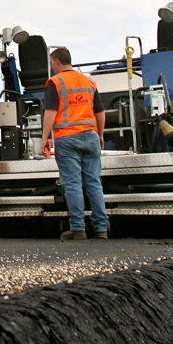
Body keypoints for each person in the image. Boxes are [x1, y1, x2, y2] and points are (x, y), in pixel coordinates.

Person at [40, 47, 108, 240]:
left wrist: (45, 137)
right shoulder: (89, 81)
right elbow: (100, 111)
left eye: (52, 63)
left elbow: (51, 112)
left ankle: (78, 229)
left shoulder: (56, 82)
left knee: (72, 184)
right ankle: (101, 229)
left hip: (67, 138)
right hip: (91, 136)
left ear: (56, 62)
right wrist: (100, 134)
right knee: (94, 183)